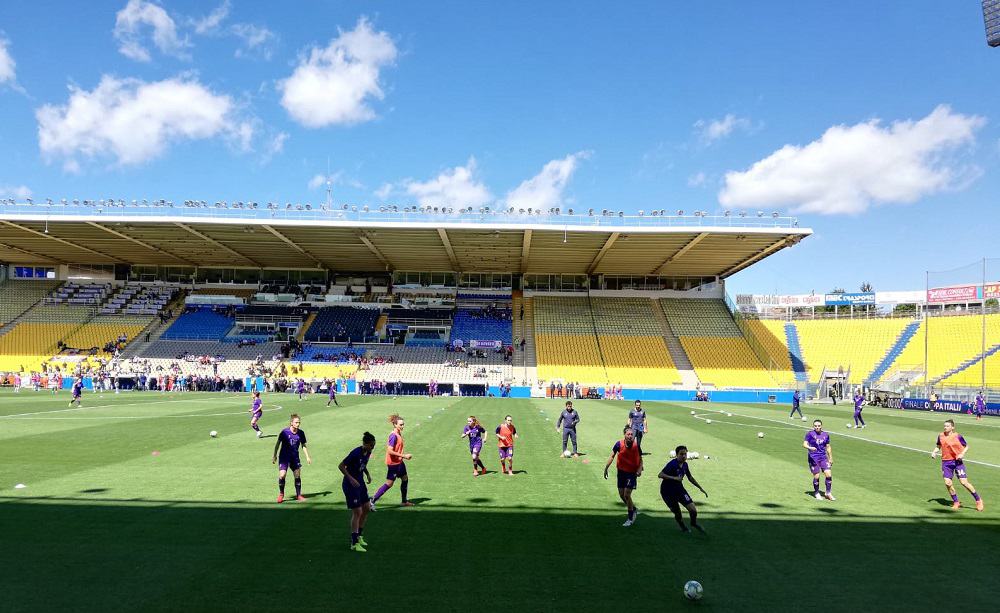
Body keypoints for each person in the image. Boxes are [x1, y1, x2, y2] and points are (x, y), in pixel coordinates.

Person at [931, 419, 984, 511]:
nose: (945, 427)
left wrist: (962, 454)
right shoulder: (940, 436)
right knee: (948, 483)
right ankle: (956, 502)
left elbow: (966, 446)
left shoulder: (958, 436)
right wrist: (934, 452)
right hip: (946, 462)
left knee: (964, 482)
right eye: (944, 426)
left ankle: (978, 500)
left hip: (957, 462)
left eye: (947, 426)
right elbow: (938, 446)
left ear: (952, 427)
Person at [339, 432, 375, 552]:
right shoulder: (355, 453)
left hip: (360, 483)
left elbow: (362, 465)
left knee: (367, 508)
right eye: (371, 445)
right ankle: (354, 543)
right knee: (358, 512)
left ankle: (359, 536)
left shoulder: (368, 452)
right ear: (365, 444)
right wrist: (350, 478)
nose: (372, 448)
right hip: (350, 485)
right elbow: (341, 466)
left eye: (373, 446)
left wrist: (368, 474)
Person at [658, 446, 707, 533]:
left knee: (693, 510)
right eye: (681, 454)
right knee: (677, 513)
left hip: (679, 490)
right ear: (676, 455)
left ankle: (693, 523)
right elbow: (660, 474)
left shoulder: (685, 464)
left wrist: (700, 488)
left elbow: (690, 477)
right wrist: (674, 478)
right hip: (667, 492)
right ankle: (683, 527)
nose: (684, 456)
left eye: (685, 454)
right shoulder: (672, 464)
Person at [370, 414, 413, 510]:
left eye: (403, 424)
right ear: (395, 424)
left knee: (405, 478)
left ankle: (404, 501)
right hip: (393, 464)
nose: (403, 426)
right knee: (389, 483)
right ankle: (372, 501)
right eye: (401, 425)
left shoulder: (398, 433)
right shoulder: (393, 436)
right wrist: (404, 456)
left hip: (399, 462)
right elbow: (390, 450)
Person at [604, 427, 643, 526]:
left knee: (626, 494)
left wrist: (639, 470)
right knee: (621, 495)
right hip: (621, 472)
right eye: (628, 434)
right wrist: (606, 468)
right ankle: (633, 509)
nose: (630, 436)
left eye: (631, 434)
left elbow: (641, 460)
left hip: (631, 473)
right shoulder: (618, 444)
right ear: (624, 435)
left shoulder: (636, 446)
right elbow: (612, 456)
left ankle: (630, 518)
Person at [272, 414, 312, 503]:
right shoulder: (284, 432)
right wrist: (274, 455)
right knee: (282, 475)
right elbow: (278, 444)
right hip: (284, 457)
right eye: (296, 422)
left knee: (297, 475)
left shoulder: (301, 433)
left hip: (294, 457)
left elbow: (303, 445)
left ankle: (298, 495)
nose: (298, 424)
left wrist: (307, 456)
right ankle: (281, 494)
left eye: (299, 422)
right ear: (291, 423)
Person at [804, 419, 834, 501]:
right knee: (817, 476)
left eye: (819, 426)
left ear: (821, 426)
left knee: (828, 475)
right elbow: (804, 444)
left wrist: (830, 457)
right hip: (813, 458)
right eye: (815, 426)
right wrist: (810, 447)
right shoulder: (810, 434)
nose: (817, 427)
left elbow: (828, 446)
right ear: (813, 426)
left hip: (823, 457)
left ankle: (828, 493)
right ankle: (817, 493)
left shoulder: (826, 435)